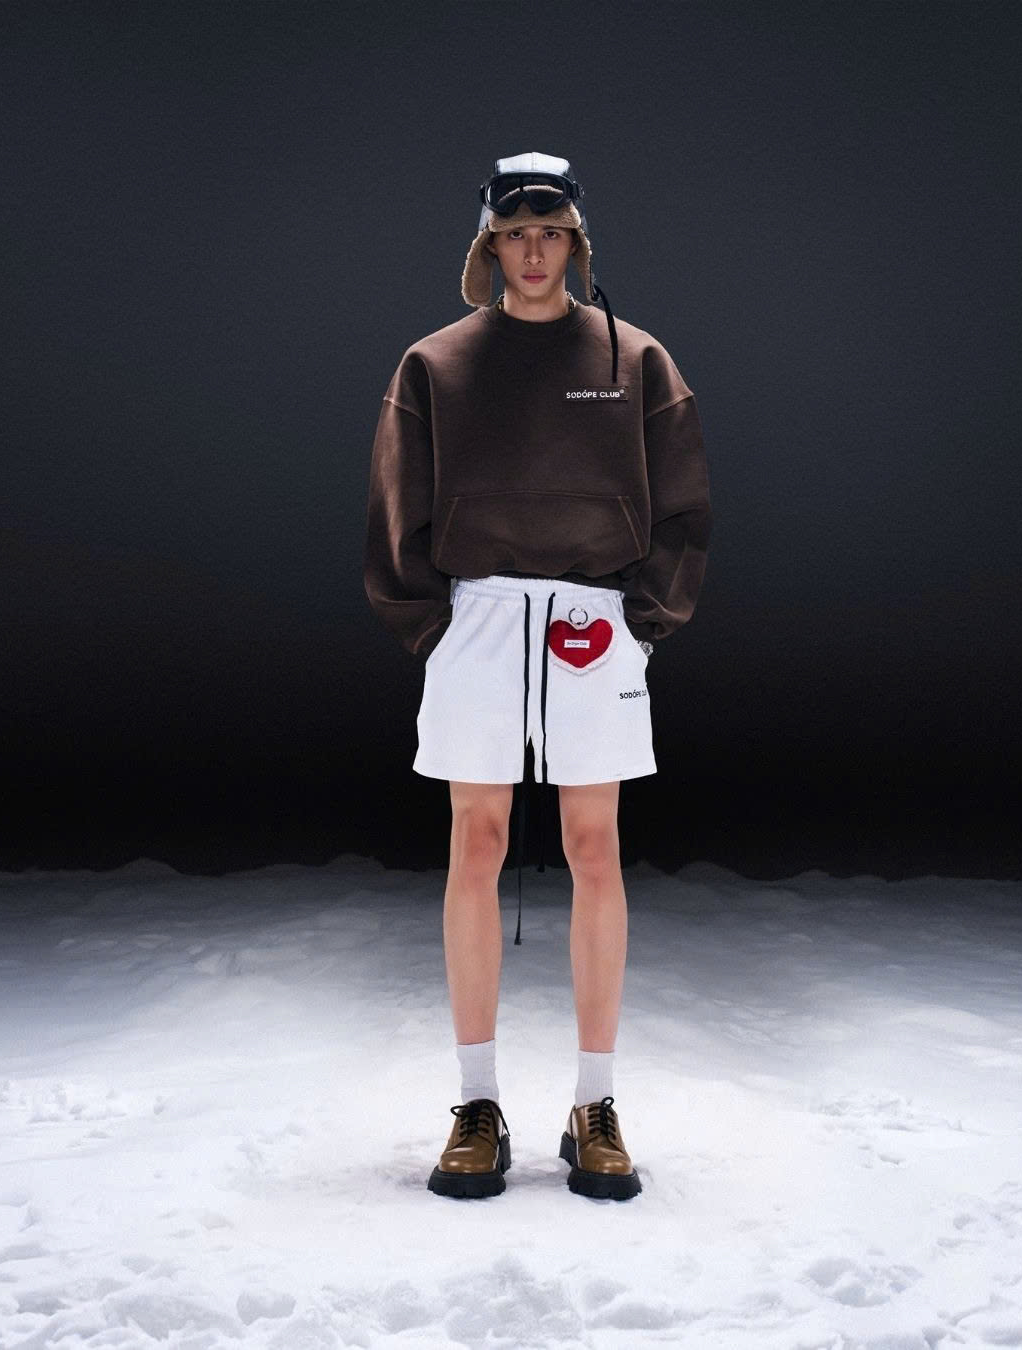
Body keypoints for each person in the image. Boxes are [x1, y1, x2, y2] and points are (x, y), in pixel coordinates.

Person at [364, 152, 713, 1200]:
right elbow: (395, 507)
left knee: (594, 845)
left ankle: (594, 1105)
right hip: (476, 617)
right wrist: (434, 630)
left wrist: (641, 625)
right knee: (474, 841)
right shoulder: (435, 364)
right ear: (489, 244)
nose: (532, 251)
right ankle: (476, 1104)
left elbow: (684, 506)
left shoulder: (635, 358)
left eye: (550, 233)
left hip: (595, 622)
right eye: (514, 233)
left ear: (576, 243)